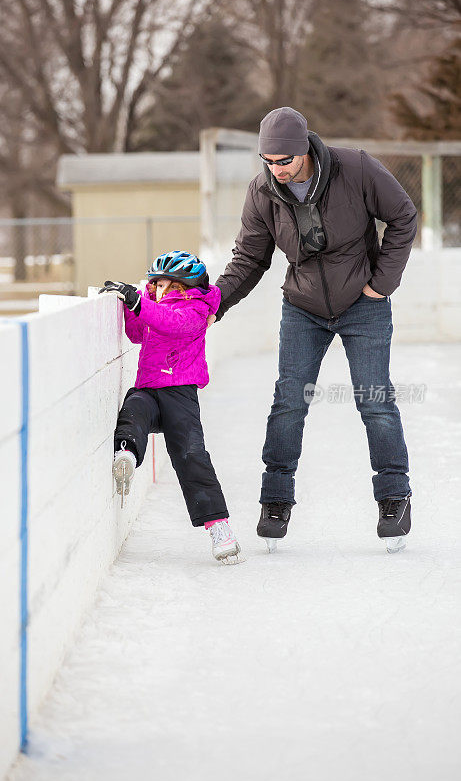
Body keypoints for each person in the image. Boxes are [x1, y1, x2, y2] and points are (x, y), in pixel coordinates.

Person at [210, 107, 417, 554]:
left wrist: (380, 286)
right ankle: (276, 501)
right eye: (268, 162)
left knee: (374, 400)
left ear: (304, 150)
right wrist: (214, 304)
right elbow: (249, 258)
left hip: (364, 304)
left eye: (284, 161)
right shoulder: (263, 192)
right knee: (289, 401)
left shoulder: (355, 168)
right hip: (302, 307)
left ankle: (394, 497)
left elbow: (403, 215)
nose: (277, 170)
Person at [100, 251, 243, 565]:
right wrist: (126, 304)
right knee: (132, 411)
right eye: (156, 285)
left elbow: (172, 324)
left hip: (180, 394)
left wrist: (140, 302)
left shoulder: (196, 310)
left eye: (167, 285)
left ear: (185, 285)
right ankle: (126, 452)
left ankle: (220, 529)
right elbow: (138, 333)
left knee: (191, 457)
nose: (160, 291)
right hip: (149, 389)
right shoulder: (155, 304)